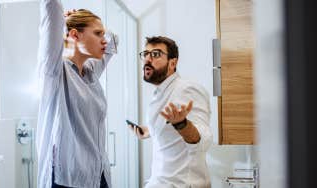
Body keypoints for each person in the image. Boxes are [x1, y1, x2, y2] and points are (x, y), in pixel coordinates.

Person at [36, 0, 118, 188]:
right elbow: (51, 7)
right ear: (74, 35)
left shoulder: (90, 72)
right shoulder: (55, 72)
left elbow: (114, 40)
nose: (103, 39)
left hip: (98, 176)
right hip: (68, 179)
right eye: (98, 34)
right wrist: (62, 24)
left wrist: (74, 23)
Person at [129, 36, 212, 188]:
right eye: (146, 54)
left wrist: (182, 124)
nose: (148, 59)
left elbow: (204, 140)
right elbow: (169, 127)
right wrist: (149, 131)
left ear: (173, 63)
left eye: (155, 54)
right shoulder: (160, 92)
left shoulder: (187, 89)